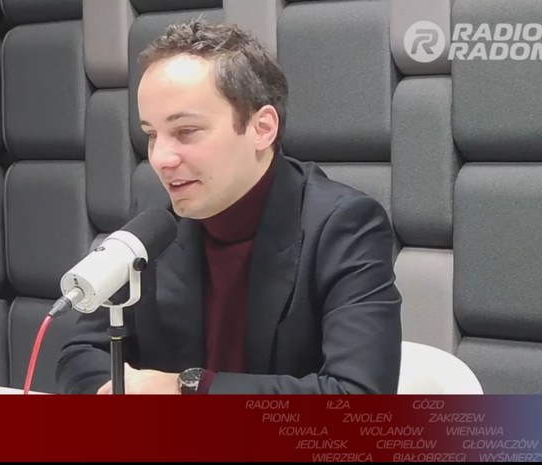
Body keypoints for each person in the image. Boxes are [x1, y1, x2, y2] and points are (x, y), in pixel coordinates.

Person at [56, 18, 402, 395]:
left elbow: (358, 396)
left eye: (186, 131)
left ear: (261, 128)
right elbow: (81, 354)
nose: (160, 158)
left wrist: (188, 389)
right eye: (151, 134)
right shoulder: (155, 218)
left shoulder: (344, 224)